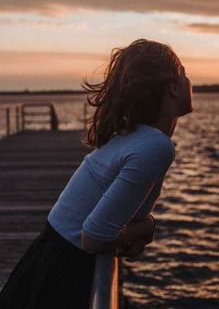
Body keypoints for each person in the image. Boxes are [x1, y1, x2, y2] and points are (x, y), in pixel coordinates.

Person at [0, 38, 193, 308]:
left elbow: (117, 219)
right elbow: (95, 237)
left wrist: (137, 231)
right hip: (62, 275)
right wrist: (149, 226)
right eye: (185, 74)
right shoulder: (155, 145)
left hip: (47, 259)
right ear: (172, 87)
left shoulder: (132, 138)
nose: (189, 82)